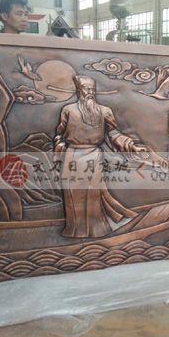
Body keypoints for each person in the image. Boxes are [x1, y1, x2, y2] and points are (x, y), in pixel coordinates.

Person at [54, 75, 155, 238]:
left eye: (92, 89)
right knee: (73, 193)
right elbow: (59, 133)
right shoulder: (68, 110)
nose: (90, 92)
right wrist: (59, 147)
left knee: (93, 193)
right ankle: (75, 230)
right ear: (79, 91)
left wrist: (130, 145)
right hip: (72, 155)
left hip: (93, 155)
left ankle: (97, 229)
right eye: (86, 89)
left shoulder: (104, 111)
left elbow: (113, 133)